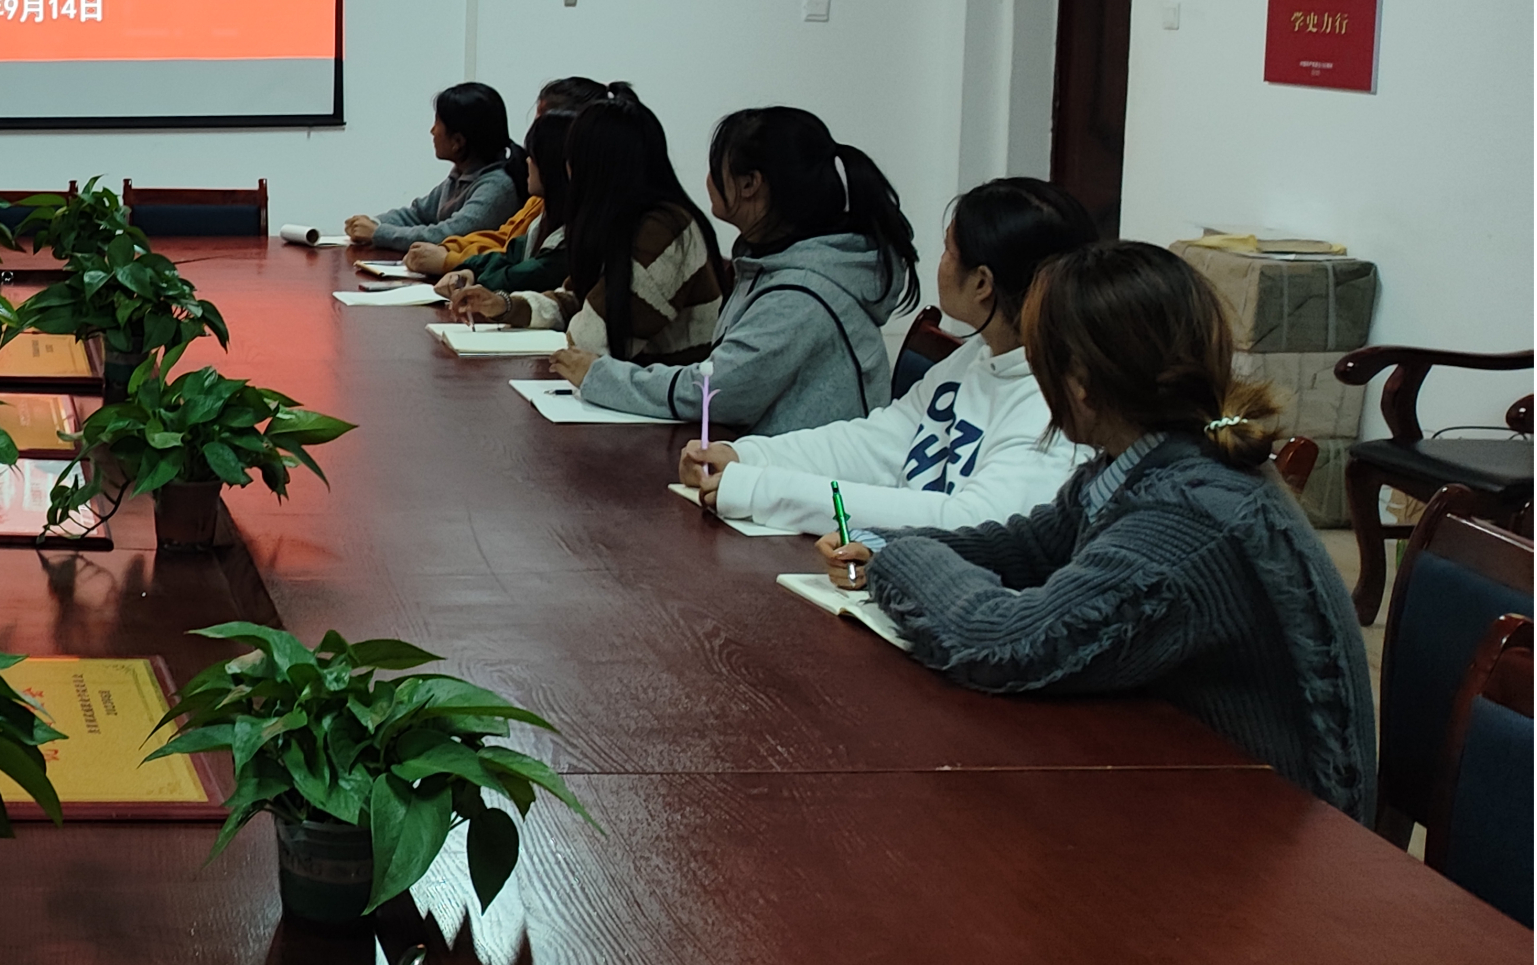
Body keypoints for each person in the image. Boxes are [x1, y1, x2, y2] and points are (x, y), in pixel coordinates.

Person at [826, 242, 1377, 819]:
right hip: (1200, 790)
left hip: (1277, 838)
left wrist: (901, 557)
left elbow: (1003, 643)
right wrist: (880, 543)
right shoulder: (1151, 461)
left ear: (1081, 384)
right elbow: (1031, 545)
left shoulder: (1185, 525)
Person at [681, 178, 1097, 535]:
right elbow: (879, 441)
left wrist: (762, 490)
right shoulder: (979, 353)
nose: (941, 262)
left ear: (982, 283)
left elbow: (972, 524)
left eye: (949, 251)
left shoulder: (1057, 403)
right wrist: (750, 457)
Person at [558, 103, 915, 434]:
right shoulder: (766, 263)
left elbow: (715, 394)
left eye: (716, 167)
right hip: (761, 457)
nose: (708, 179)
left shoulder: (800, 296)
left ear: (749, 184)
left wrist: (600, 377)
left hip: (806, 477)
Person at [458, 85, 726, 371]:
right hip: (628, 387)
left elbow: (595, 339)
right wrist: (505, 305)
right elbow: (574, 299)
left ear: (594, 165)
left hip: (663, 393)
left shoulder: (663, 231)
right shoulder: (623, 219)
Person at [408, 76, 606, 277]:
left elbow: (523, 270)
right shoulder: (539, 201)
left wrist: (449, 260)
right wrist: (448, 249)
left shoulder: (500, 186)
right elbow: (505, 241)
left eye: (541, 121)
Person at [342, 83, 523, 250]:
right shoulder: (461, 174)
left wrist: (378, 233)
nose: (432, 131)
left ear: (458, 141)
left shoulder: (497, 187)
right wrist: (372, 223)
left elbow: (447, 236)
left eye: (437, 123)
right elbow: (417, 214)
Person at [430, 107, 579, 303]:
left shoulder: (571, 238)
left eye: (533, 156)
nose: (527, 161)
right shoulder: (543, 216)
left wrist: (465, 271)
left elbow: (522, 276)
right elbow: (509, 254)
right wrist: (469, 270)